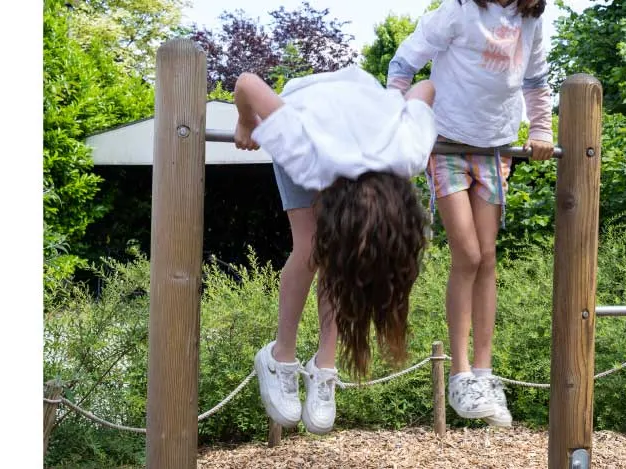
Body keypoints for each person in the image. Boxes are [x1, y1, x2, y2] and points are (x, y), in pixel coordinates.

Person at [232, 65, 437, 435]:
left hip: (363, 107)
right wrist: (246, 122)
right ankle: (280, 355)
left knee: (343, 257)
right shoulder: (304, 152)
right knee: (312, 246)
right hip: (308, 108)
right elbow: (247, 84)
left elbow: (425, 88)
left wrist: (394, 106)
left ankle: (324, 365)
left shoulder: (408, 152)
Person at [386, 0, 555, 428]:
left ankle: (484, 372)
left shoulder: (530, 19)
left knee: (488, 257)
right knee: (468, 254)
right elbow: (406, 58)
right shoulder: (459, 10)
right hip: (447, 144)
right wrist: (394, 115)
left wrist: (540, 128)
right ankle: (460, 373)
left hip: (495, 147)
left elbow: (535, 78)